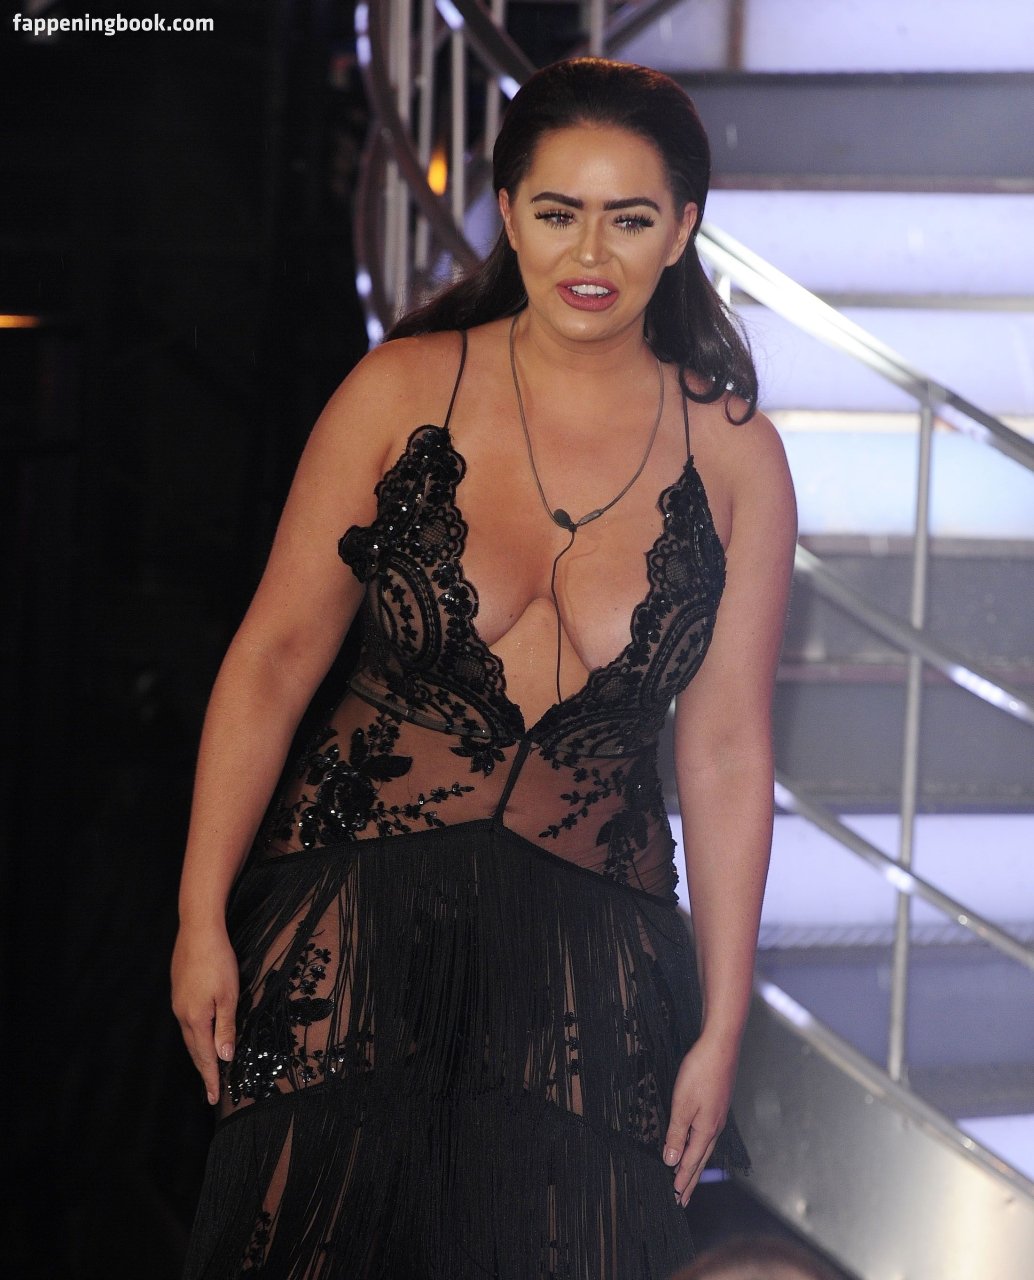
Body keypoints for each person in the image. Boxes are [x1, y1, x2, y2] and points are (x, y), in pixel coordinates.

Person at [171, 56, 796, 1279]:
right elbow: (273, 657)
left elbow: (725, 750)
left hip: (588, 960)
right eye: (558, 210)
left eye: (628, 218)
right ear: (507, 214)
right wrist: (201, 913)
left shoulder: (736, 457)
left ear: (681, 230)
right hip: (352, 918)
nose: (589, 252)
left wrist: (721, 1024)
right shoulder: (400, 389)